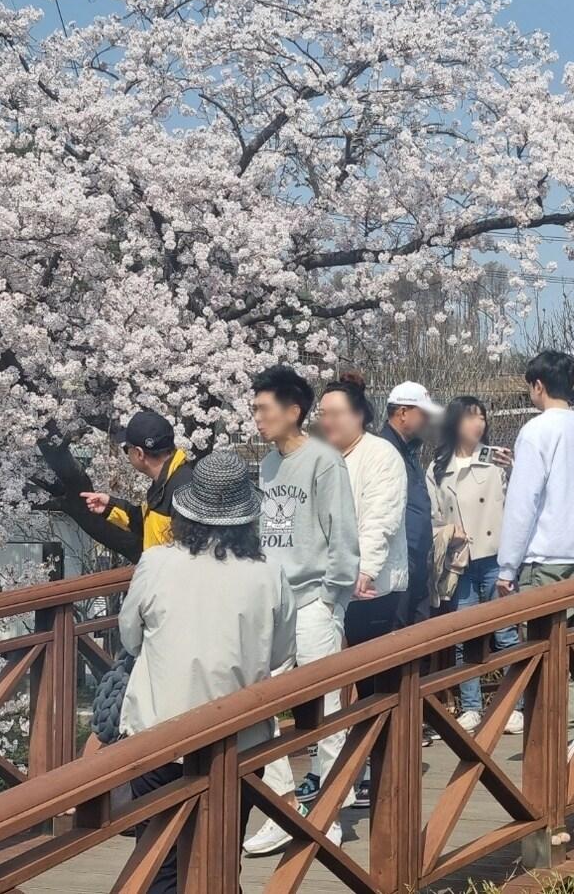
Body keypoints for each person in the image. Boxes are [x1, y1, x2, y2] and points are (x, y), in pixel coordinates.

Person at [119, 450, 295, 894]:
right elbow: (280, 654)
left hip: (159, 736)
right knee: (219, 860)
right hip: (238, 742)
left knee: (158, 861)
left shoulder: (156, 563)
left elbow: (129, 638)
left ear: (185, 511)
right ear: (246, 518)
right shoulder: (269, 574)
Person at [245, 365, 359, 856]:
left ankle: (331, 809)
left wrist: (333, 599)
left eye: (262, 409)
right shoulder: (268, 466)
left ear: (293, 411)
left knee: (324, 708)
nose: (256, 419)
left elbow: (343, 536)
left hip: (314, 602)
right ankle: (283, 805)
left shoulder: (323, 462)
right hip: (274, 606)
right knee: (261, 709)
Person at [295, 372, 408, 809]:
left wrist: (368, 569)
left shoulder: (380, 455)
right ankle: (333, 769)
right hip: (324, 589)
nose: (329, 422)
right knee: (329, 685)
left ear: (360, 415)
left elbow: (381, 516)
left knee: (368, 685)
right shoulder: (320, 457)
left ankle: (366, 773)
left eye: (337, 413)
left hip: (372, 590)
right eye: (323, 414)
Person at [427, 396, 523, 736]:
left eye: (482, 417)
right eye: (470, 417)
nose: (478, 424)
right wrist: (448, 533)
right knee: (464, 636)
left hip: (496, 557)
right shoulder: (438, 468)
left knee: (506, 633)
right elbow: (431, 517)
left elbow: (520, 504)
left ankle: (513, 705)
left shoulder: (498, 461)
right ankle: (471, 706)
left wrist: (515, 468)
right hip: (460, 561)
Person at [496, 351, 574, 599]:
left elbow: (523, 503)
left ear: (538, 385)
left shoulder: (535, 431)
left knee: (540, 636)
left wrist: (508, 567)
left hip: (546, 560)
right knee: (573, 637)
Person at [81, 409, 194, 552]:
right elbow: (151, 526)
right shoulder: (164, 483)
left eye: (127, 449)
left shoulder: (183, 491)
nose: (126, 454)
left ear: (139, 453)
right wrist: (110, 507)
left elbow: (189, 554)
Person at [379, 381, 444, 628]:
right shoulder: (383, 451)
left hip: (417, 562)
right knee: (396, 639)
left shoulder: (410, 451)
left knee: (418, 635)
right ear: (403, 412)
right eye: (423, 414)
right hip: (396, 563)